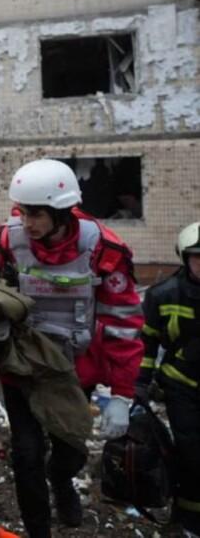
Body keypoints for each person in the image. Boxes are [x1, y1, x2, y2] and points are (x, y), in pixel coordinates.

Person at [0, 158, 143, 538]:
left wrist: (122, 395)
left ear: (64, 211)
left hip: (75, 368)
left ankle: (62, 478)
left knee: (70, 446)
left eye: (37, 215)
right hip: (19, 366)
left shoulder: (104, 250)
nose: (28, 223)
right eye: (23, 213)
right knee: (26, 452)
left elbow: (123, 325)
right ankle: (38, 529)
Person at [135, 222, 200, 536]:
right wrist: (139, 383)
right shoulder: (163, 295)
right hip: (181, 385)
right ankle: (189, 519)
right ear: (184, 259)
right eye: (198, 258)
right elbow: (145, 342)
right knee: (191, 453)